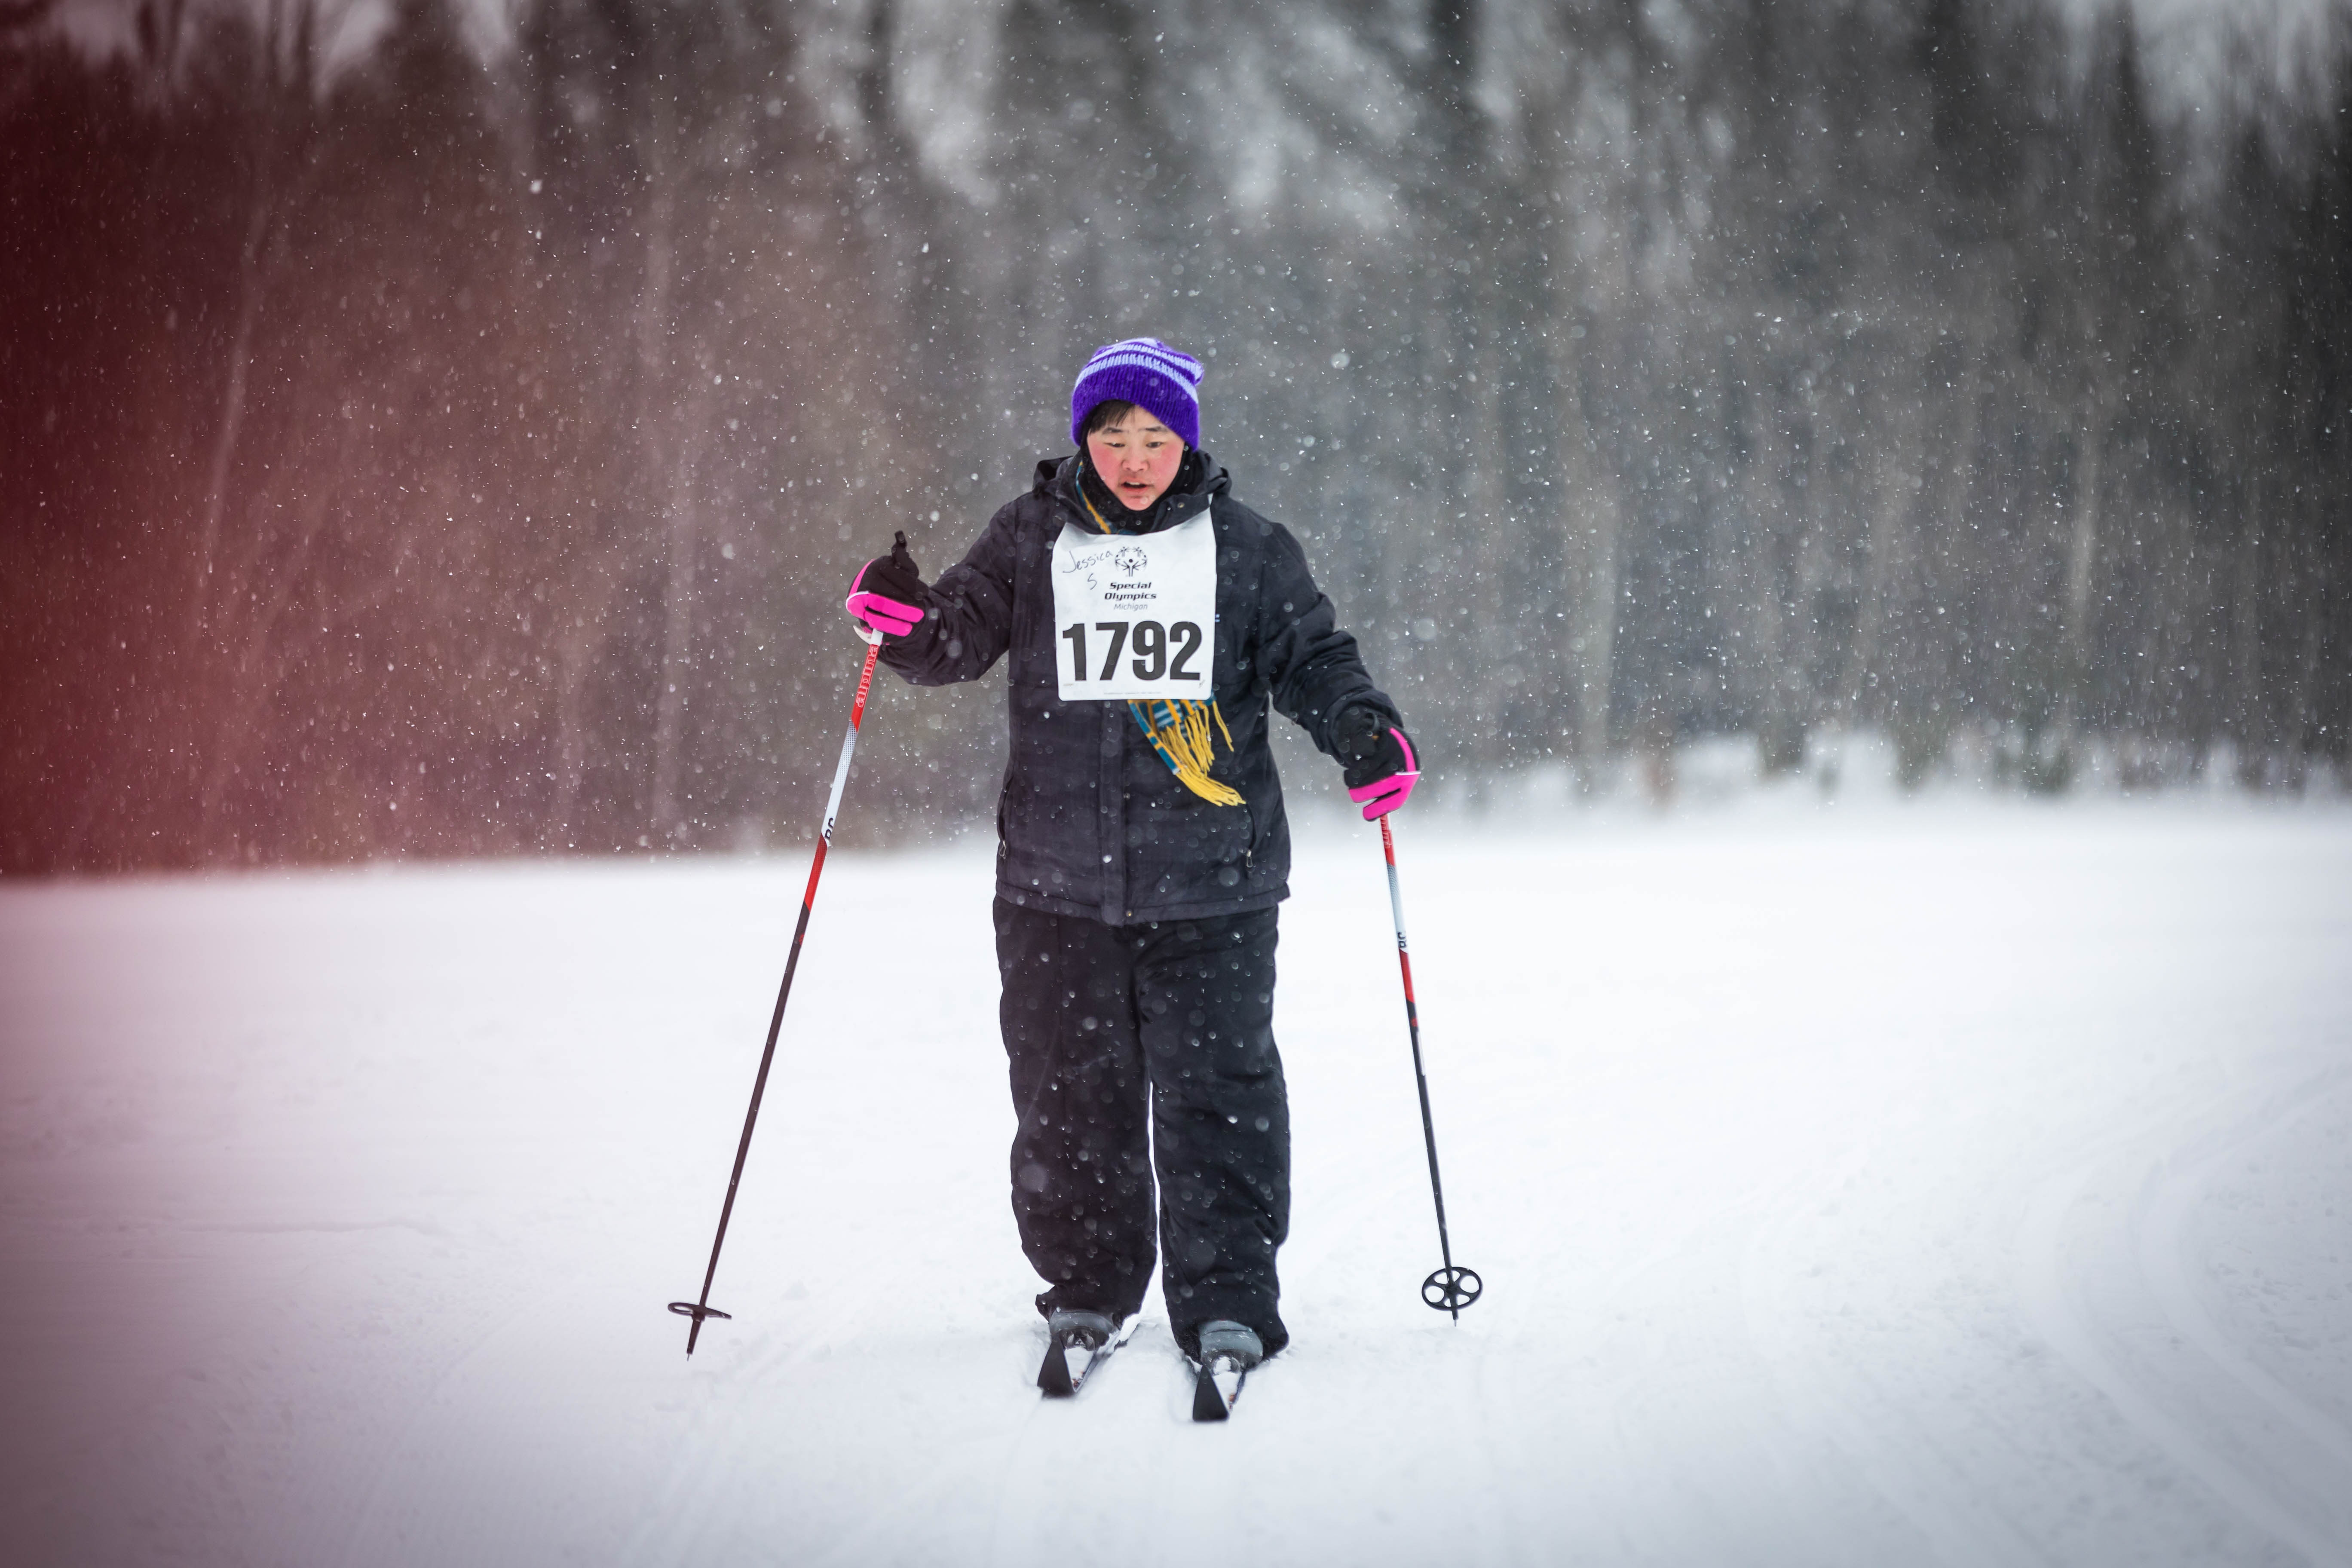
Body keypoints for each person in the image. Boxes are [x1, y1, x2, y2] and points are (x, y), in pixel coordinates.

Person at [841, 337, 1419, 1375]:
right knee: (1068, 1098)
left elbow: (1314, 660)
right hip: (1054, 885)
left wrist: (1364, 730)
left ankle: (1229, 1298)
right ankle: (1088, 1289)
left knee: (1219, 1093)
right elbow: (957, 639)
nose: (1134, 456)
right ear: (1085, 440)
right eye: (1113, 435)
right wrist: (905, 621)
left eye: (1156, 436)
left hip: (1215, 886)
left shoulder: (1245, 547)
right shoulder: (1029, 539)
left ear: (1186, 441)